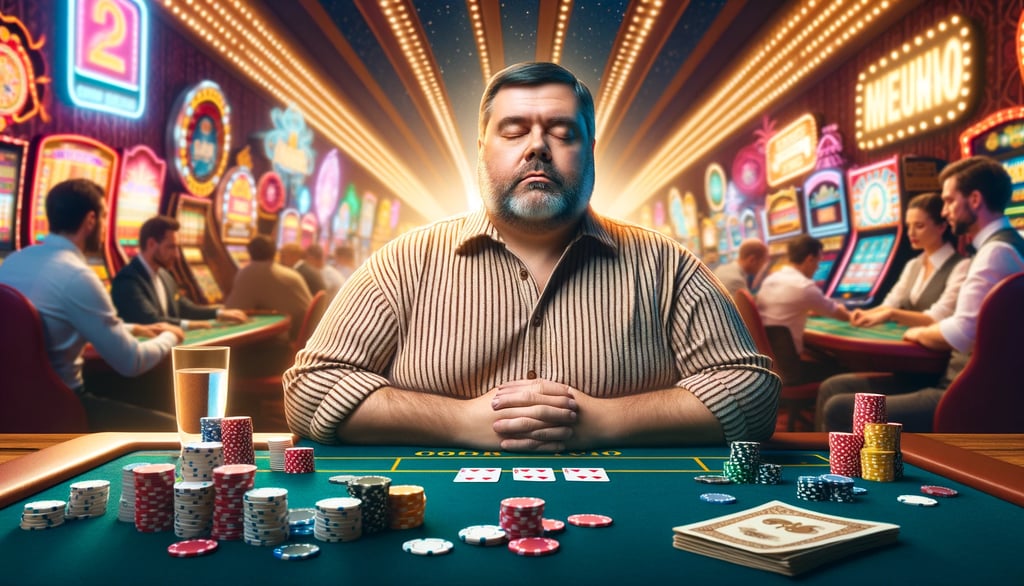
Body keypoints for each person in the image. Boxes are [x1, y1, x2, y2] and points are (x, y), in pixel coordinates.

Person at [283, 62, 780, 452]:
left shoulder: (668, 265)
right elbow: (310, 391)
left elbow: (754, 393)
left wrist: (600, 422)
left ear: (590, 151)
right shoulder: (401, 263)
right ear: (482, 151)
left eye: (563, 132)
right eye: (514, 130)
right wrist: (460, 422)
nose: (538, 147)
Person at [816, 156, 1024, 432]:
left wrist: (916, 333)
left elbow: (960, 332)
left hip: (965, 393)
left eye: (950, 201)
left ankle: (845, 474)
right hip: (964, 380)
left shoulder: (995, 252)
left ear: (975, 200)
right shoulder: (1005, 246)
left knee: (839, 408)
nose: (946, 212)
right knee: (835, 386)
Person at [0, 179, 185, 430]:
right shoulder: (78, 275)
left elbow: (48, 322)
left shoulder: (13, 262)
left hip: (10, 409)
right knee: (174, 428)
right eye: (104, 216)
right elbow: (131, 362)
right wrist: (170, 336)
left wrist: (131, 328)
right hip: (61, 409)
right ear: (90, 221)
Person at [849, 193, 969, 328]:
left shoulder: (961, 266)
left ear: (941, 227)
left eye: (919, 226)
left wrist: (891, 314)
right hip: (911, 342)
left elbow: (937, 317)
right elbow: (890, 303)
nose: (910, 233)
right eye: (908, 226)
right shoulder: (912, 265)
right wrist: (863, 314)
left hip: (939, 346)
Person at [111, 215, 249, 330]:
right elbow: (149, 321)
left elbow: (185, 308)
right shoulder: (128, 279)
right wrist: (189, 325)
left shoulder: (165, 275)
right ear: (151, 244)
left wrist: (219, 313)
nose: (177, 255)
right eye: (171, 247)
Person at [756, 234, 850, 355]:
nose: (818, 267)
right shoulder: (804, 286)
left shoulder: (769, 280)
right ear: (810, 259)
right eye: (818, 261)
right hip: (790, 363)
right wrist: (852, 315)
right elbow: (839, 314)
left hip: (768, 361)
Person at [224, 235, 312, 340]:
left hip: (288, 341)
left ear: (249, 252)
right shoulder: (289, 273)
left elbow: (232, 311)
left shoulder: (250, 272)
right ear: (274, 253)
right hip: (306, 336)